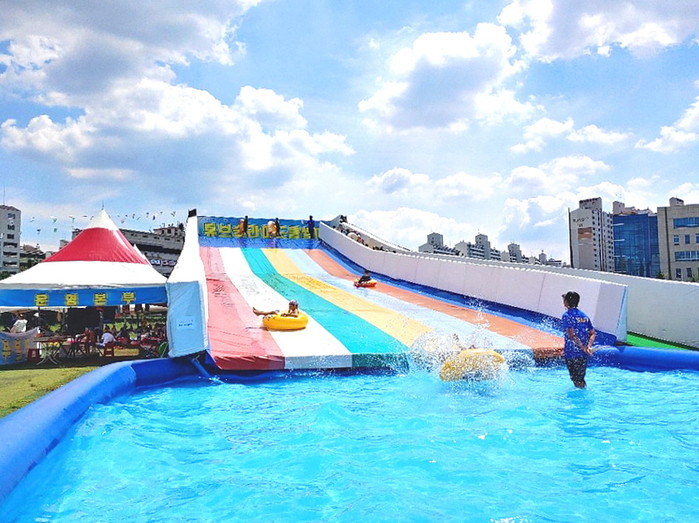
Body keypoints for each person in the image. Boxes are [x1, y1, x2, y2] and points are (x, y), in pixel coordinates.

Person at [562, 291, 597, 388]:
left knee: (576, 380)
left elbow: (572, 335)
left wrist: (582, 347)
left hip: (571, 354)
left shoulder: (567, 315)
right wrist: (588, 347)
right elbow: (592, 333)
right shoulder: (584, 316)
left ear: (566, 302)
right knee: (580, 379)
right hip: (583, 355)